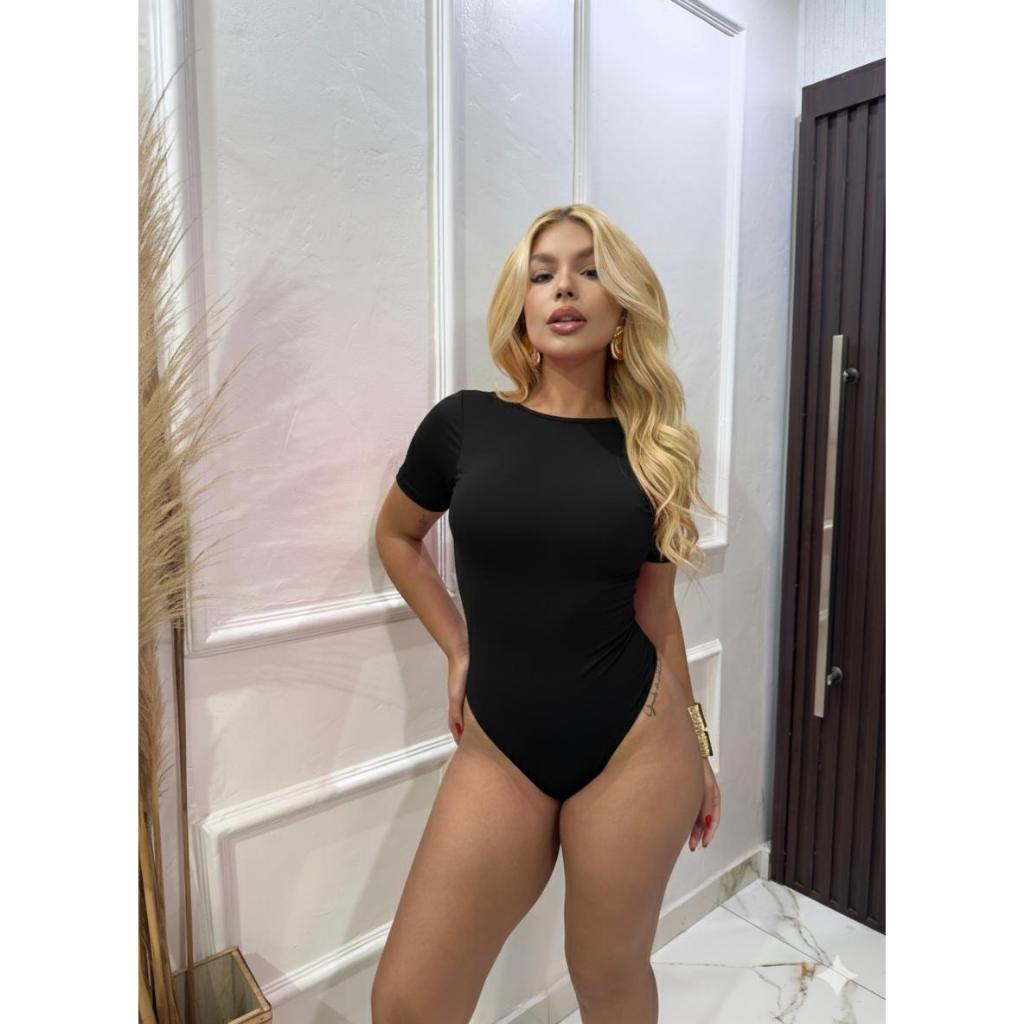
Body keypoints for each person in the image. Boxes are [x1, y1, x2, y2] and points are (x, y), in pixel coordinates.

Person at [372, 203, 722, 1023]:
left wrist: (700, 748)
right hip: (499, 750)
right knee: (408, 1002)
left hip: (637, 746)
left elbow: (657, 611)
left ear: (622, 306)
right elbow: (396, 536)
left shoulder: (656, 450)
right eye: (543, 273)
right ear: (522, 304)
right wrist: (457, 646)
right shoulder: (463, 425)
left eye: (590, 270)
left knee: (608, 979)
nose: (564, 287)